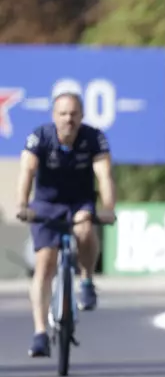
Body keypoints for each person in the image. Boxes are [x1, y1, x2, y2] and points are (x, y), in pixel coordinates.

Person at [14, 92, 117, 358]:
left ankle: (86, 281)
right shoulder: (40, 137)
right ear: (54, 116)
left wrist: (108, 208)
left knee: (85, 229)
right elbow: (26, 170)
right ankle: (39, 333)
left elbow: (104, 174)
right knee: (45, 264)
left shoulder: (94, 138)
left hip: (79, 202)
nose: (68, 119)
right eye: (63, 114)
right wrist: (22, 205)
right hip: (46, 205)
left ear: (81, 116)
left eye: (73, 114)